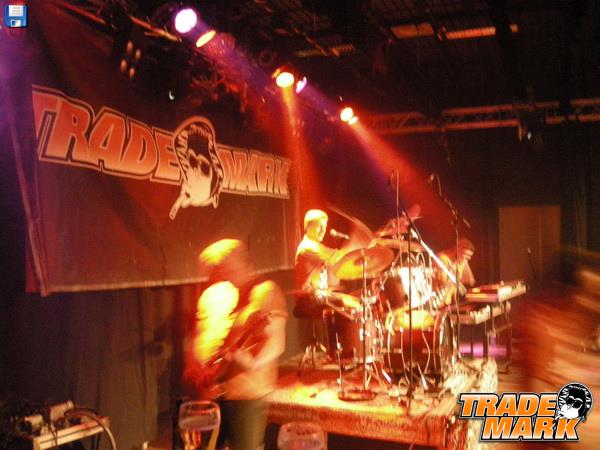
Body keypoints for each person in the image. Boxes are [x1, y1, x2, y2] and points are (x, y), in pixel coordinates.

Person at [184, 239, 287, 450]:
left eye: (227, 269)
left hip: (245, 394)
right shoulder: (218, 294)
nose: (222, 275)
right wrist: (193, 365)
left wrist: (253, 362)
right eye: (219, 270)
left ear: (245, 264)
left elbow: (276, 342)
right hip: (210, 391)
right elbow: (200, 334)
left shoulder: (266, 292)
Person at [436, 237, 476, 305]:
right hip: (437, 301)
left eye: (470, 256)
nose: (468, 258)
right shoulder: (443, 258)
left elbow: (470, 281)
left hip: (448, 302)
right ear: (457, 249)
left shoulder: (461, 262)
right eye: (466, 254)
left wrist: (465, 261)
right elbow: (443, 282)